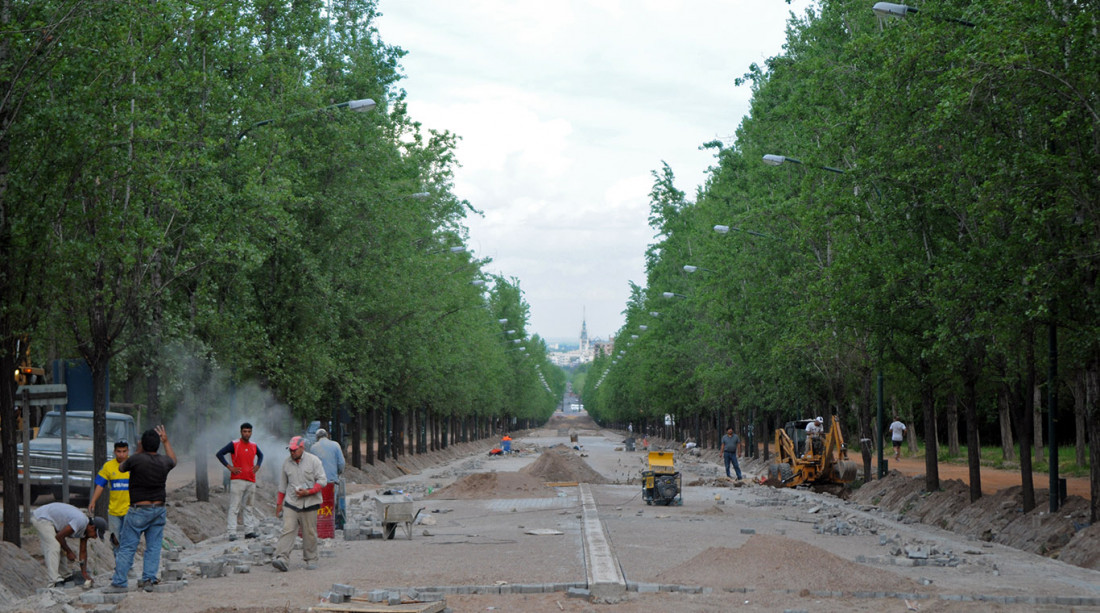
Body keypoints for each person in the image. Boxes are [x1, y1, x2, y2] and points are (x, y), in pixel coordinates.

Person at [106, 425, 176, 593]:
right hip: (158, 509)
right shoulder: (164, 461)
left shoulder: (136, 459)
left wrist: (138, 451)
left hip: (138, 509)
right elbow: (173, 460)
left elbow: (122, 467)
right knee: (153, 547)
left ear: (142, 445)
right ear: (158, 445)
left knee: (128, 547)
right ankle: (149, 579)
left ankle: (119, 582)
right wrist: (166, 442)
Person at [273, 435, 327, 572]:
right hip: (291, 503)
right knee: (288, 529)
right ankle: (282, 558)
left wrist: (309, 492)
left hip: (310, 503)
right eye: (290, 450)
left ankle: (311, 559)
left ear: (302, 448)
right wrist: (279, 504)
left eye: (294, 450)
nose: (292, 453)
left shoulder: (314, 461)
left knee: (309, 532)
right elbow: (282, 485)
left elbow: (322, 481)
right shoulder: (286, 463)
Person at [32, 502, 106, 587]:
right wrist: (69, 552)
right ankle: (54, 581)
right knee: (54, 546)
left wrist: (84, 573)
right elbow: (59, 537)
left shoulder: (85, 531)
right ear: (92, 527)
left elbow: (83, 551)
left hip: (52, 520)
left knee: (61, 547)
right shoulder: (81, 521)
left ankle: (64, 576)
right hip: (42, 518)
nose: (95, 537)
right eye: (95, 534)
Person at [215, 422, 264, 541]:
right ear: (241, 432)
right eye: (244, 431)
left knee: (249, 507)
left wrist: (258, 465)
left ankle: (249, 531)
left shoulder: (254, 445)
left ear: (251, 432)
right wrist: (229, 467)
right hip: (237, 480)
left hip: (251, 480)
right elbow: (219, 454)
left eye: (249, 431)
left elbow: (261, 455)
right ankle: (232, 532)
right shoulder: (234, 444)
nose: (247, 434)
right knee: (235, 506)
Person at [88, 439, 130, 552]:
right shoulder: (108, 466)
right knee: (115, 540)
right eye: (119, 451)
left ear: (128, 451)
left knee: (127, 539)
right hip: (114, 511)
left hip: (130, 510)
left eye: (124, 451)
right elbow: (100, 485)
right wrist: (93, 501)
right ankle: (119, 565)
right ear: (114, 452)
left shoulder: (134, 464)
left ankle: (127, 566)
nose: (121, 454)